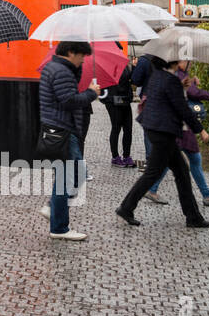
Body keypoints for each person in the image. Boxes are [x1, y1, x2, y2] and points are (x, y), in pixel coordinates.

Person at [116, 55, 209, 230]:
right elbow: (183, 109)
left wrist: (181, 87)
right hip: (163, 132)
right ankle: (126, 207)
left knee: (182, 172)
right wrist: (201, 129)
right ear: (174, 62)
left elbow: (166, 99)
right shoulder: (170, 80)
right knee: (153, 173)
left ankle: (193, 216)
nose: (185, 61)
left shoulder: (158, 76)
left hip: (156, 129)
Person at [144, 62, 209, 206]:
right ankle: (205, 196)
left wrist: (191, 81)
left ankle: (152, 189)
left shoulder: (170, 74)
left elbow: (187, 90)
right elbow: (192, 93)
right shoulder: (176, 75)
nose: (190, 62)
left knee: (177, 161)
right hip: (182, 128)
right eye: (186, 60)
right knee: (190, 159)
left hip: (176, 126)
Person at [39, 42, 98, 241]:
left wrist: (78, 69)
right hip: (63, 129)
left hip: (58, 128)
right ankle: (59, 226)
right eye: (81, 56)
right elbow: (69, 101)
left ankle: (53, 210)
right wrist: (91, 93)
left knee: (70, 175)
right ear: (71, 52)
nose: (83, 60)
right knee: (72, 176)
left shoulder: (56, 67)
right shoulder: (62, 72)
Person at [102, 59, 136, 167]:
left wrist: (134, 67)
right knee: (116, 127)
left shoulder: (124, 64)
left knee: (128, 128)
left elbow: (130, 79)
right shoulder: (108, 65)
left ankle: (127, 156)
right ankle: (115, 157)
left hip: (125, 99)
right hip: (114, 100)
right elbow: (118, 80)